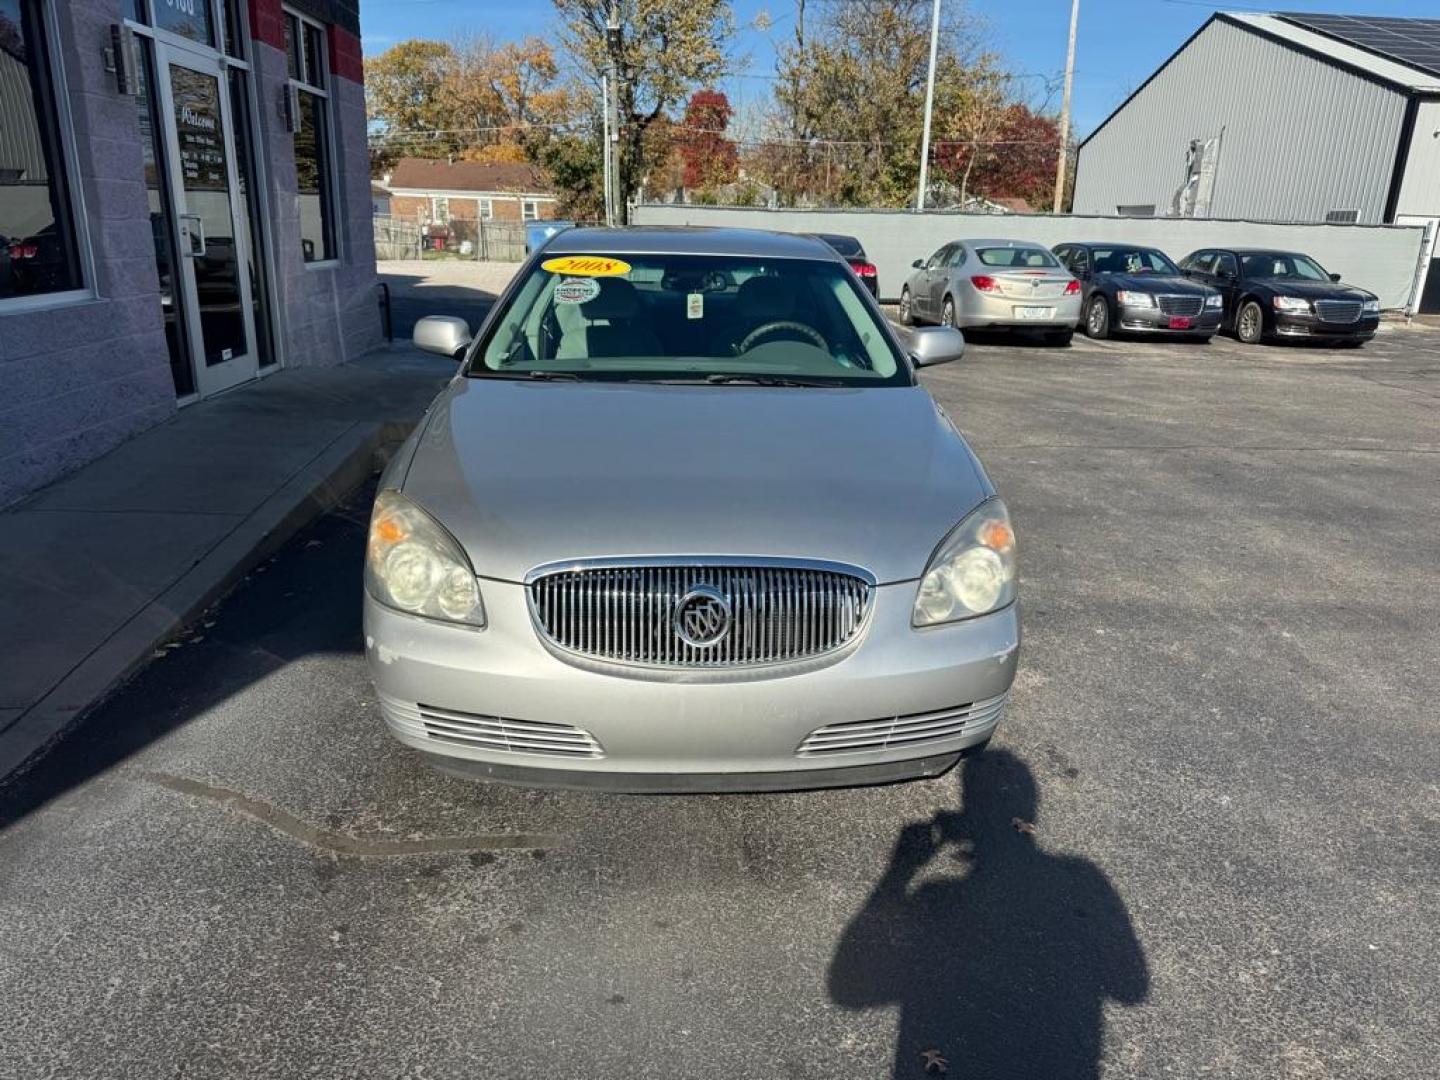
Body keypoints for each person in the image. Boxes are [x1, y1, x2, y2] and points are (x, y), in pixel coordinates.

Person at [828, 750, 1148, 1078]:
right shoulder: (1082, 879)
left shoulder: (935, 898)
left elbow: (849, 988)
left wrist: (899, 871)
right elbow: (1130, 986)